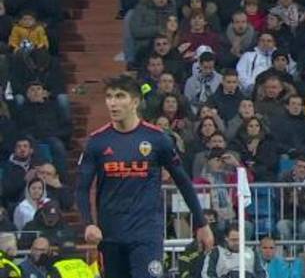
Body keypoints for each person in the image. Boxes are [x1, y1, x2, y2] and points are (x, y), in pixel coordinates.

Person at [76, 76, 214, 278]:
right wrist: (88, 222)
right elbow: (81, 188)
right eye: (109, 97)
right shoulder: (97, 142)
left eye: (120, 96)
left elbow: (182, 181)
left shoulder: (157, 139)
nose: (113, 103)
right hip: (111, 235)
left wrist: (202, 224)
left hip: (146, 234)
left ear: (135, 101)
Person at [202, 225, 266, 278]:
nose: (237, 243)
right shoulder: (216, 252)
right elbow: (207, 274)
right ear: (226, 238)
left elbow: (262, 274)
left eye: (239, 239)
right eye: (233, 240)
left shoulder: (252, 252)